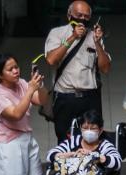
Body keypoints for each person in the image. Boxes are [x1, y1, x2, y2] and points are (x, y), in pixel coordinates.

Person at [44, 1, 110, 143]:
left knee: (92, 140)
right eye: (79, 15)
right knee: (64, 139)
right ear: (69, 16)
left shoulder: (94, 36)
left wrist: (98, 43)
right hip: (65, 96)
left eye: (86, 17)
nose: (82, 19)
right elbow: (51, 60)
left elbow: (105, 68)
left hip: (90, 97)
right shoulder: (57, 33)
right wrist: (73, 37)